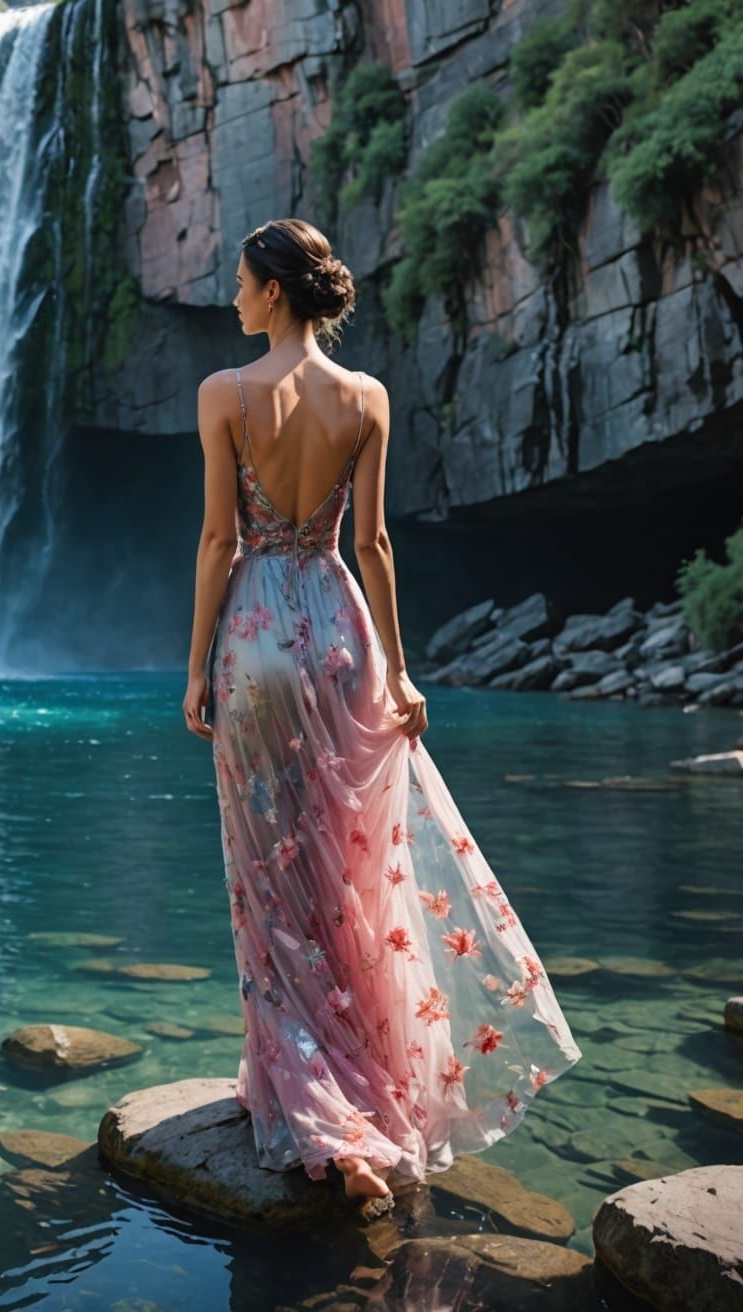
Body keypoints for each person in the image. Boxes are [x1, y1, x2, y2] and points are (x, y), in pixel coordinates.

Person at [182, 218, 582, 1204]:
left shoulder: (225, 394)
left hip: (260, 639)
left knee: (267, 875)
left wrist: (195, 668)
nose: (230, 298)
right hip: (344, 634)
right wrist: (401, 674)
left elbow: (217, 541)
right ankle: (369, 1081)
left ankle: (302, 1092)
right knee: (353, 862)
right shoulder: (365, 398)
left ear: (274, 291)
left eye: (239, 282)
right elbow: (376, 546)